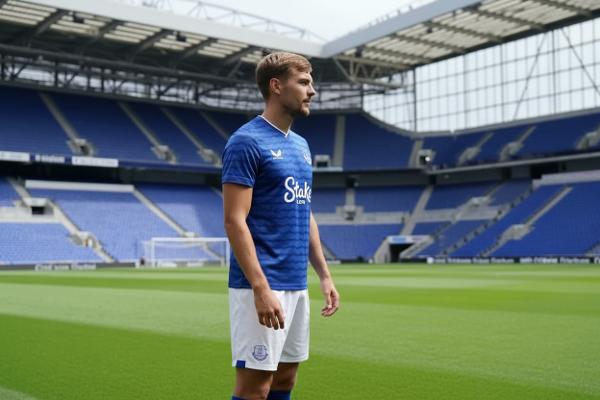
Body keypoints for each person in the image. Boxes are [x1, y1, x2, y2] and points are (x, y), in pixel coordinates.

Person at [222, 51, 340, 400]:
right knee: (255, 388)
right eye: (303, 82)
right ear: (276, 86)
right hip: (262, 283)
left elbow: (305, 212)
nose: (312, 91)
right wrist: (260, 288)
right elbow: (234, 220)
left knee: (286, 378)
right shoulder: (246, 141)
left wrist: (324, 275)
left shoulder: (301, 146)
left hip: (296, 282)